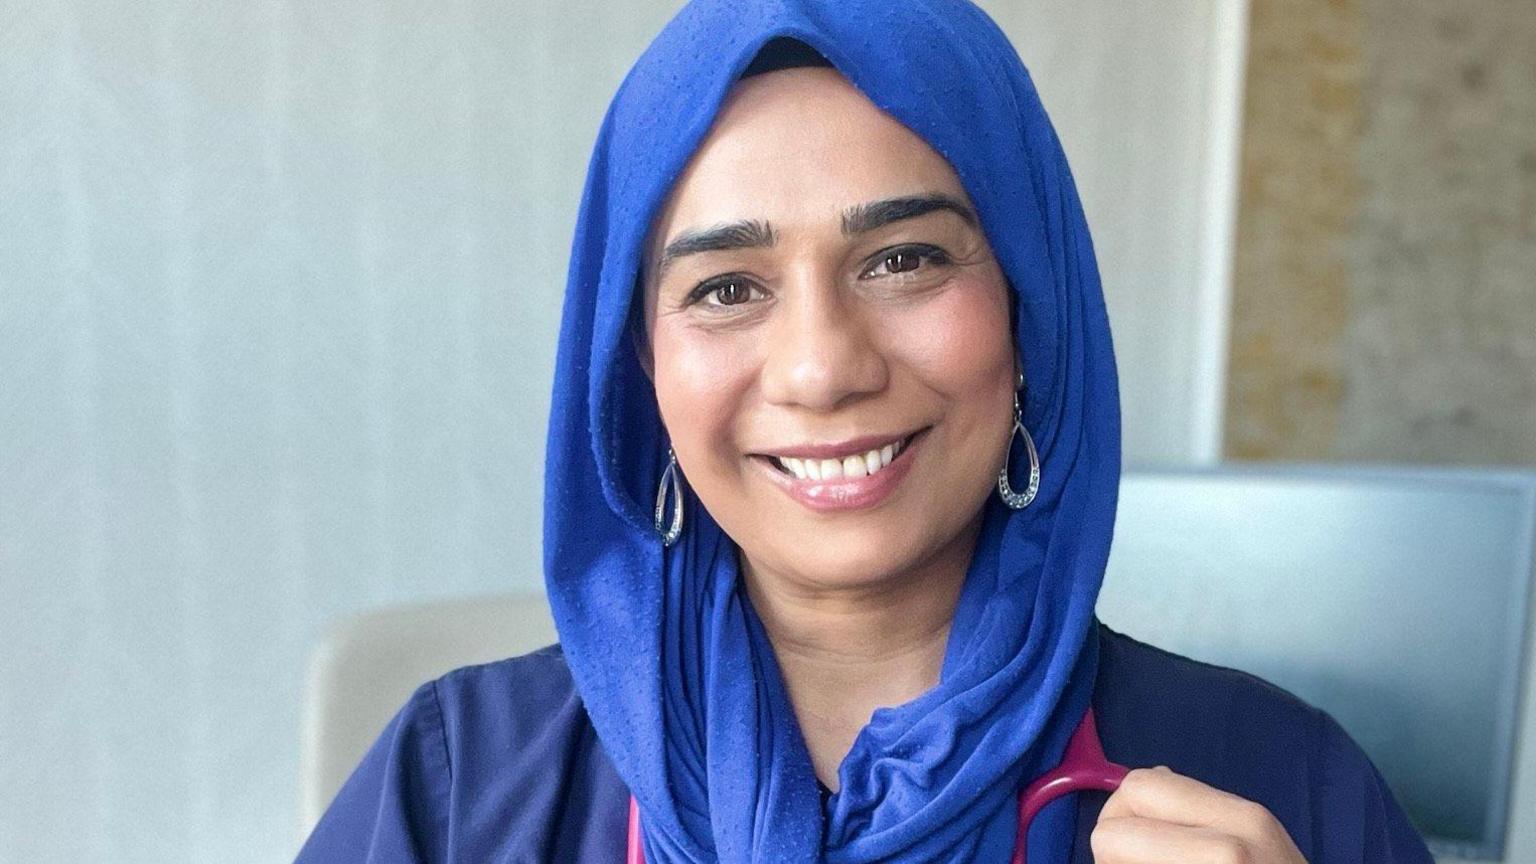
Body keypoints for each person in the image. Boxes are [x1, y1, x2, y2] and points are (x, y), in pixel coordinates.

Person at [295, 1, 1435, 862]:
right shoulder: (455, 788)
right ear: (639, 363)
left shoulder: (1291, 786)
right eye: (727, 287)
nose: (822, 367)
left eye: (905, 260)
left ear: (1033, 308)